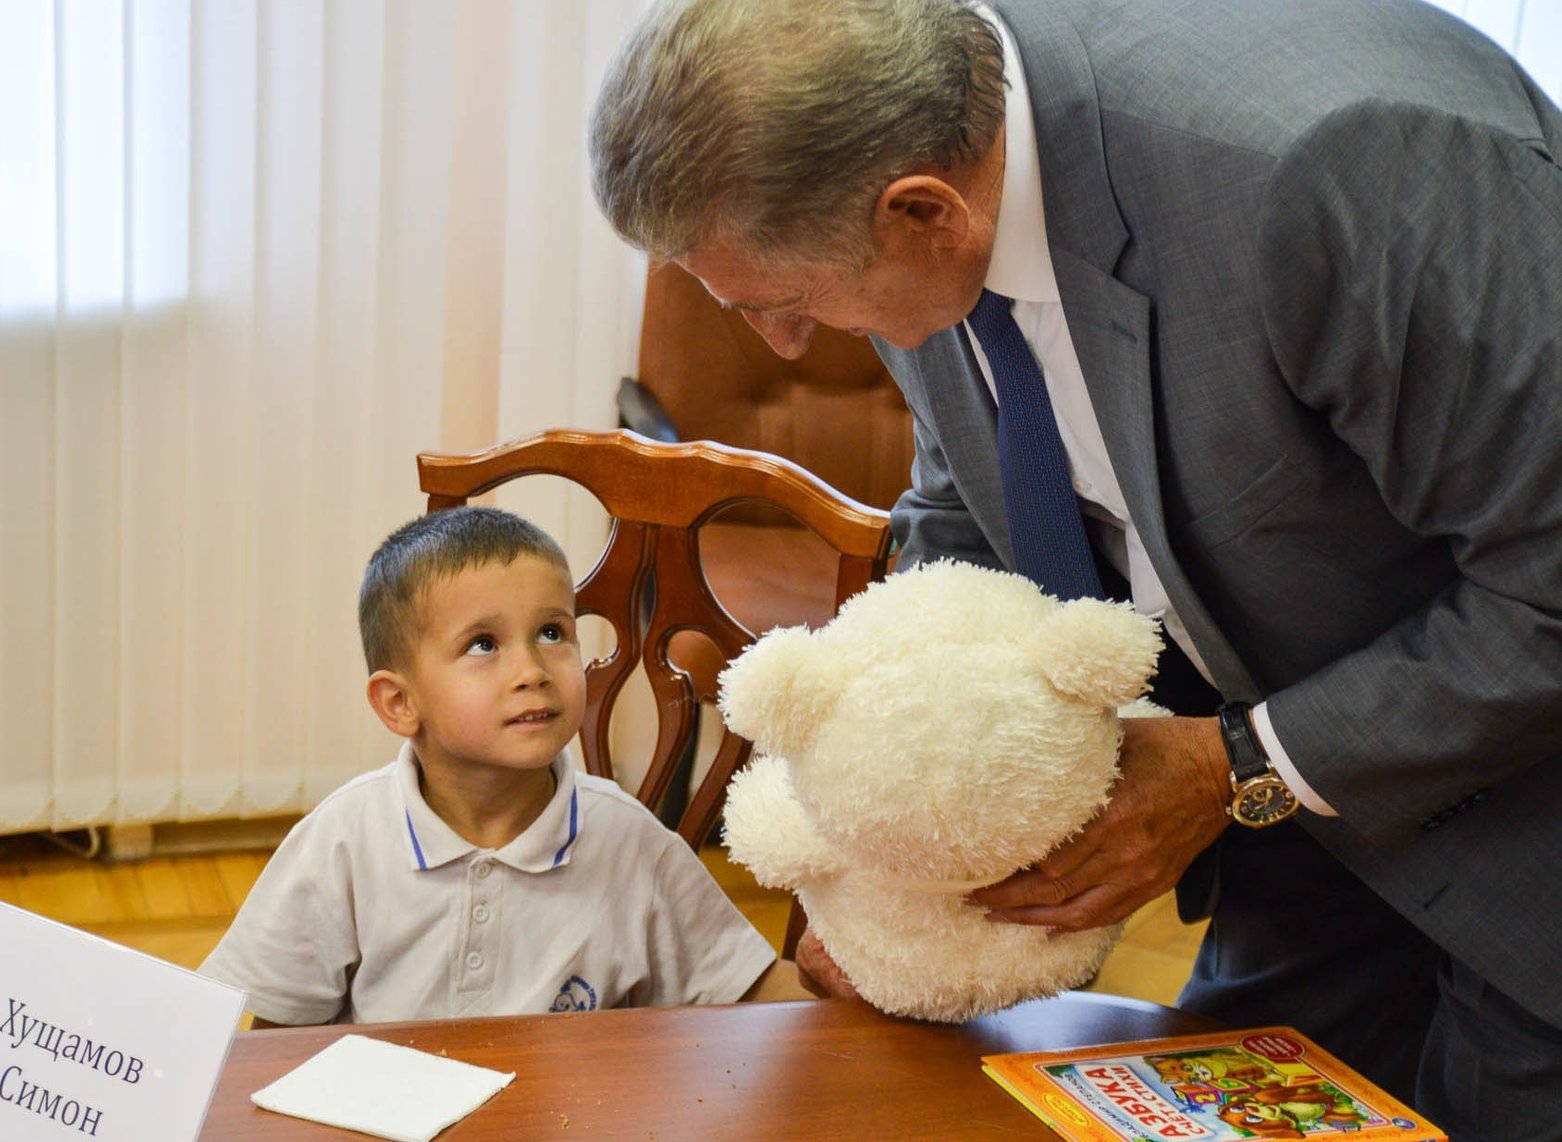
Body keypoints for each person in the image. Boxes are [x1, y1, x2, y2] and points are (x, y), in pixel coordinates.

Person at [588, 1, 1562, 1138]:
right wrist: (887, 862)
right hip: (1305, 817)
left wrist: (1228, 766)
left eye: (787, 304)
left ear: (923, 212)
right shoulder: (916, 158)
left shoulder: (1329, 169)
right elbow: (965, 510)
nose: (786, 345)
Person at [199, 506, 794, 1026]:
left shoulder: (631, 842)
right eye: (484, 644)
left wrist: (849, 984)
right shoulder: (343, 841)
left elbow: (751, 993)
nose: (533, 669)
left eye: (553, 632)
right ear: (400, 703)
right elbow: (272, 1040)